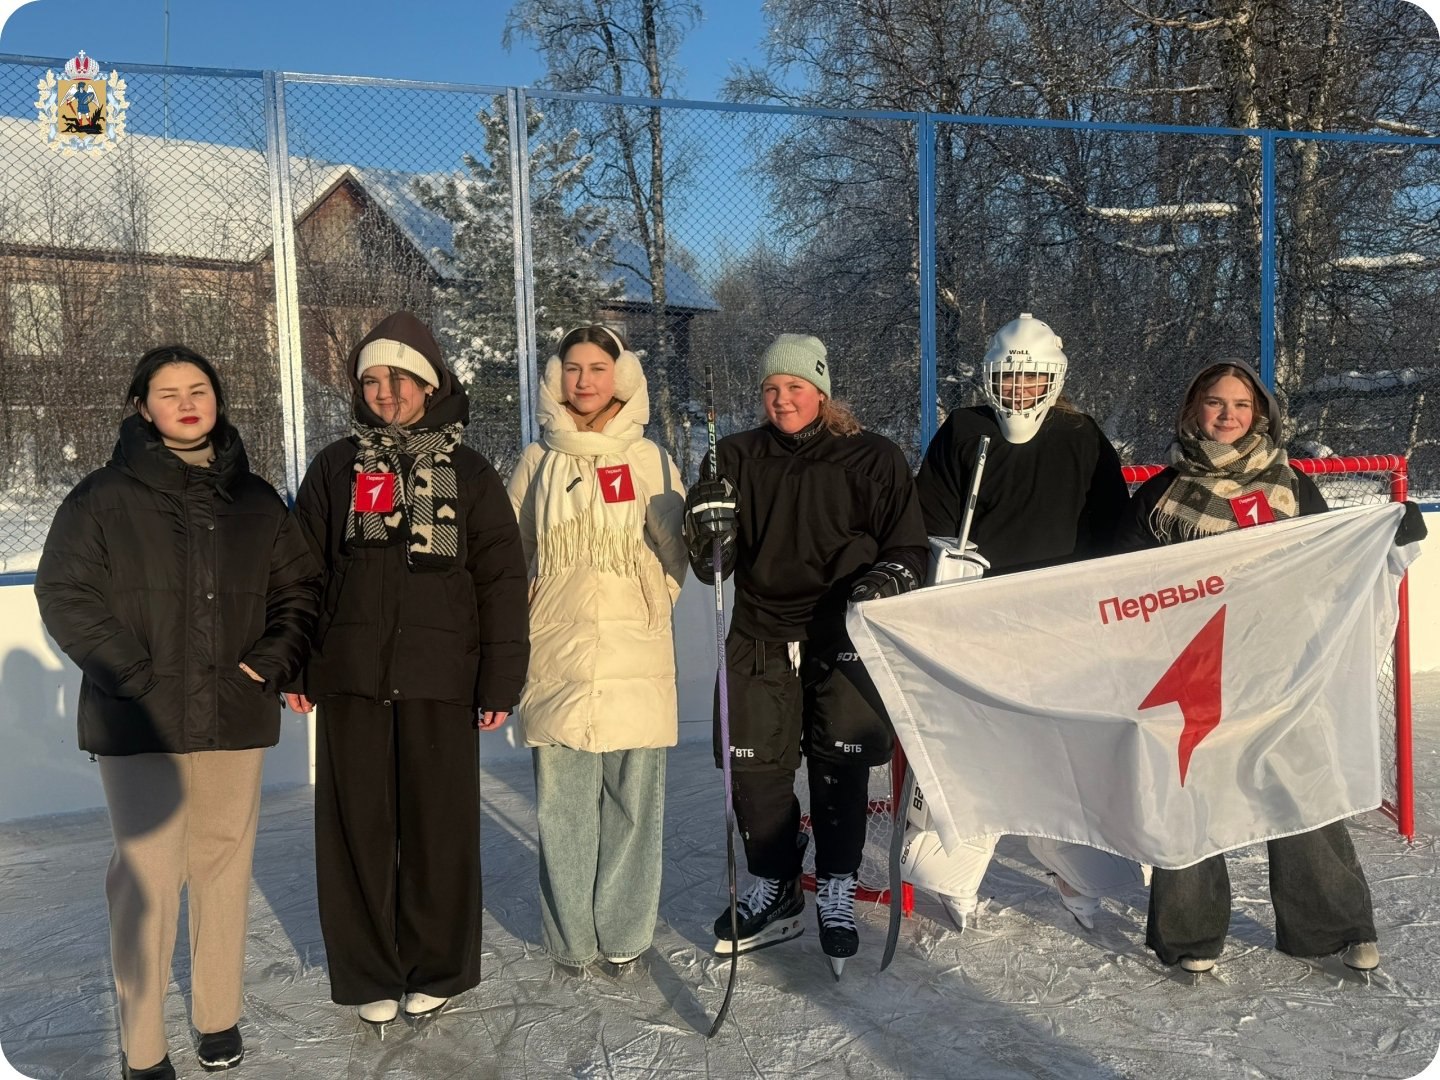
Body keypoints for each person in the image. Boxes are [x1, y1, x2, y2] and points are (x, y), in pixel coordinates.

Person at [35, 345, 319, 1080]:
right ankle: (143, 1045)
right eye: (169, 393)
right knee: (148, 879)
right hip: (140, 720)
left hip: (233, 711)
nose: (188, 403)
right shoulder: (100, 498)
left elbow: (299, 592)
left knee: (223, 866)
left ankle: (218, 1016)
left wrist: (264, 663)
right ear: (141, 406)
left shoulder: (256, 501)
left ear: (218, 400)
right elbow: (65, 593)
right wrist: (133, 675)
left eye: (200, 389)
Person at [284, 312, 529, 1025]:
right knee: (355, 833)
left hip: (439, 679)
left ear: (430, 382)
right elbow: (301, 574)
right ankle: (368, 974)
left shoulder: (470, 472)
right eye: (372, 381)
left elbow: (500, 583)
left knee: (437, 831)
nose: (385, 393)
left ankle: (438, 966)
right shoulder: (337, 467)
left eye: (399, 378)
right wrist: (296, 663)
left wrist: (500, 679)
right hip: (351, 678)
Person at [1114, 359, 1382, 975]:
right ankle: (1190, 935)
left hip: (1278, 665)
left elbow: (1334, 556)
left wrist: (1385, 535)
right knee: (1190, 793)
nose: (1227, 415)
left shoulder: (1290, 486)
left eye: (1240, 404)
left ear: (1259, 413)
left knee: (1300, 788)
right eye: (1215, 402)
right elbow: (1122, 582)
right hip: (1193, 669)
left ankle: (1332, 928)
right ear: (1193, 409)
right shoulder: (1160, 495)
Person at [685, 333, 929, 975]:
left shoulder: (873, 457)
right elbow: (712, 567)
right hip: (759, 632)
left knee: (839, 765)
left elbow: (908, 548)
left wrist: (887, 578)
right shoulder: (733, 456)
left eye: (795, 386)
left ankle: (837, 885)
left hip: (842, 633)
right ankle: (776, 882)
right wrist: (705, 530)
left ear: (821, 390)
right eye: (771, 388)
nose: (782, 399)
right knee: (756, 771)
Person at [913, 312, 1141, 933]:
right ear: (991, 379)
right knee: (975, 745)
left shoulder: (1081, 436)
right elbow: (927, 516)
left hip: (1061, 621)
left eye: (1031, 378)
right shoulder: (965, 430)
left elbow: (1113, 528)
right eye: (1009, 379)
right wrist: (940, 563)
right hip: (980, 618)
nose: (1018, 390)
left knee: (1061, 747)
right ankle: (955, 866)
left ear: (1053, 379)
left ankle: (1073, 864)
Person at [505, 325, 688, 973]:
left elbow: (677, 554)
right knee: (564, 809)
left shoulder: (649, 459)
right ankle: (572, 940)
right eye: (573, 368)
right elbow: (512, 554)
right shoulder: (538, 460)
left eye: (597, 368)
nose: (584, 381)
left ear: (622, 376)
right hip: (557, 655)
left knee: (634, 806)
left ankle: (624, 932)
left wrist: (644, 600)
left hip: (635, 656)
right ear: (557, 377)